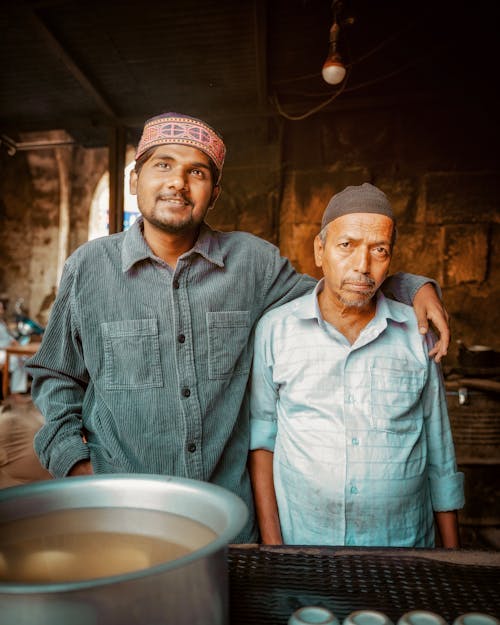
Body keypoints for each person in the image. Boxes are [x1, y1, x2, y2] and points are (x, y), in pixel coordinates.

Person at [27, 113, 450, 543]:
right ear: (135, 180)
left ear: (214, 194)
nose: (178, 182)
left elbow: (340, 290)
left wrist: (414, 287)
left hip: (227, 522)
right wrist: (77, 464)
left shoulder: (253, 265)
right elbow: (54, 374)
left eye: (197, 172)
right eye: (163, 165)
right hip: (123, 513)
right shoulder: (89, 267)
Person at [248, 183, 464, 547]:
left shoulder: (416, 332)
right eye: (346, 246)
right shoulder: (275, 330)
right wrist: (274, 548)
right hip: (305, 549)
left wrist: (453, 559)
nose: (362, 266)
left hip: (405, 548)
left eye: (379, 250)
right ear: (320, 250)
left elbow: (440, 451)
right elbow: (262, 443)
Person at [0, 298, 29, 396]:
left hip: (8, 349)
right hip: (2, 351)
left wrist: (14, 342)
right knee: (17, 361)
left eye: (1, 308)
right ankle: (15, 393)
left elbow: (8, 337)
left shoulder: (2, 323)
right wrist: (9, 346)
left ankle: (21, 388)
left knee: (25, 358)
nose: (1, 311)